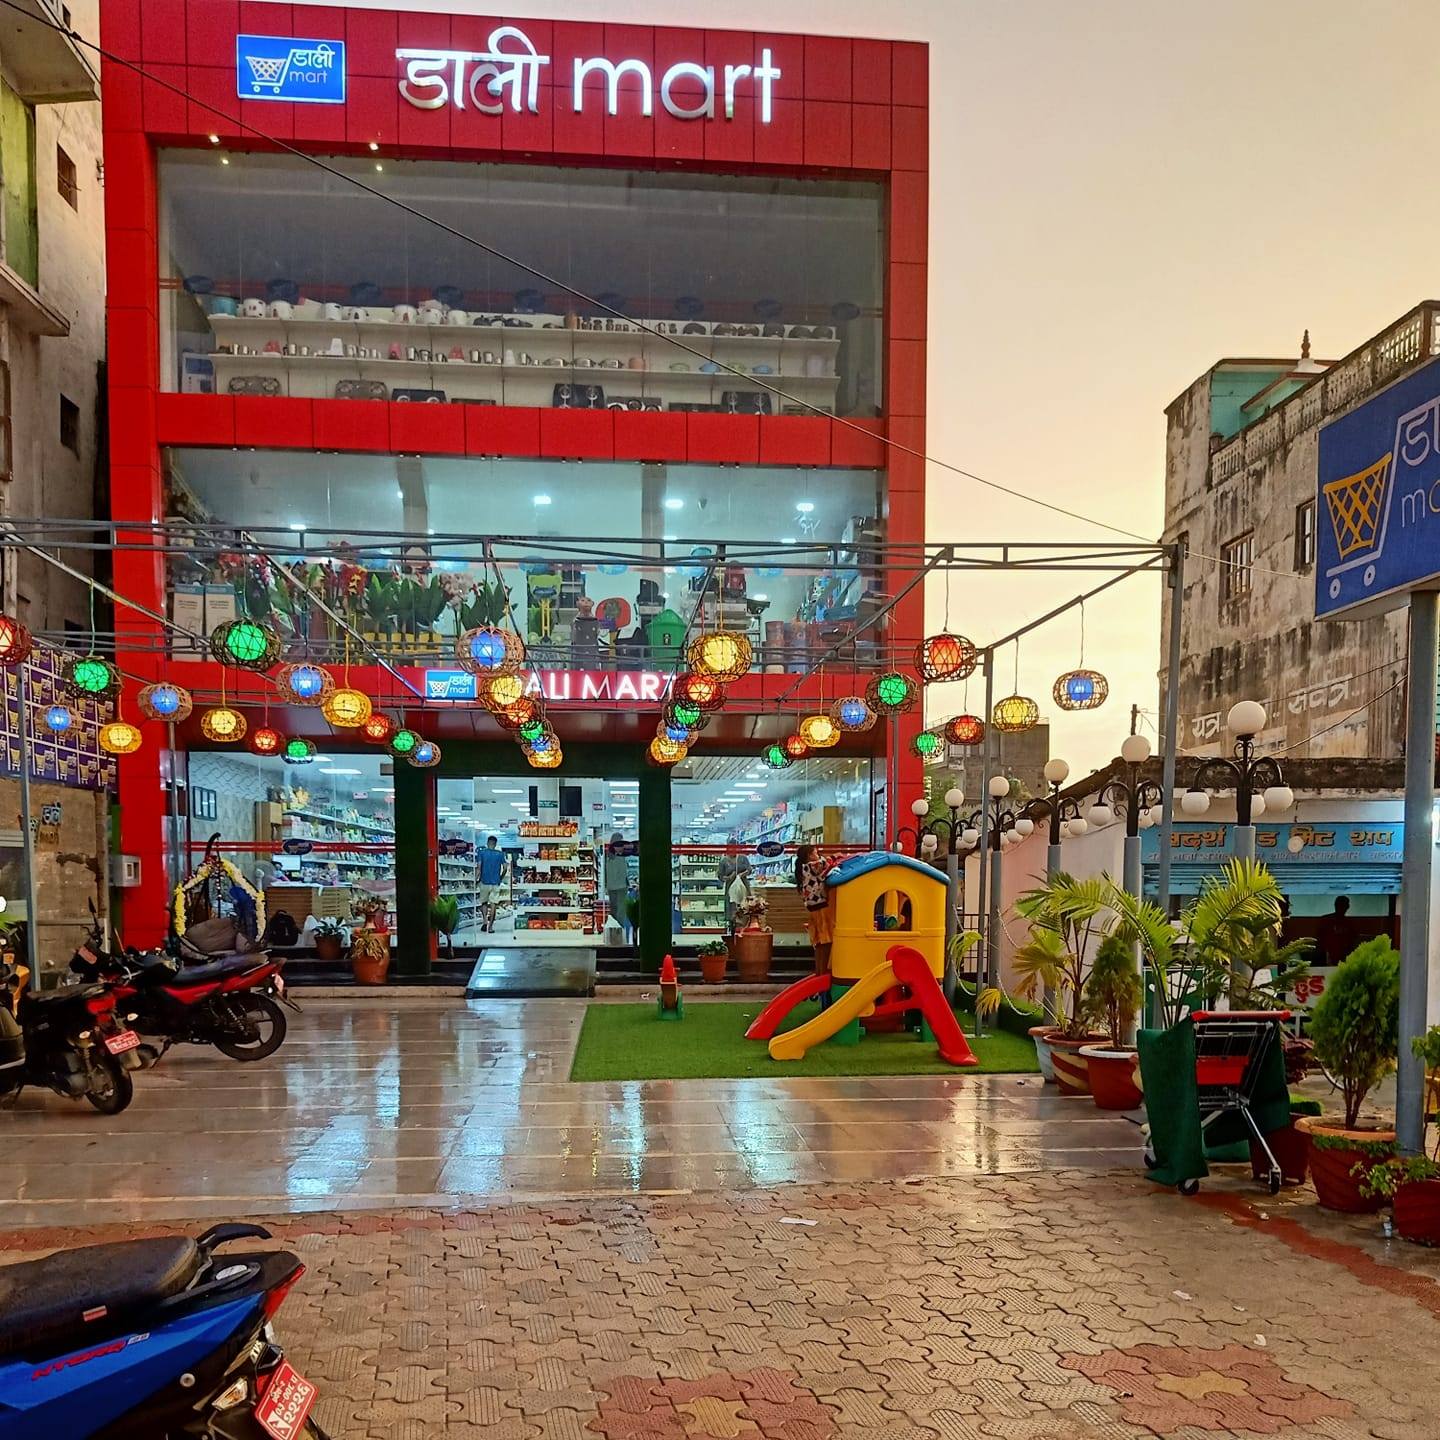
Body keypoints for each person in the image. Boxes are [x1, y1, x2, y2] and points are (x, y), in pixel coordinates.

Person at [795, 843, 832, 976]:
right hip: (819, 905)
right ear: (809, 856)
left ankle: (819, 971)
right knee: (825, 940)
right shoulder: (812, 866)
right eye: (816, 853)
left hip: (813, 906)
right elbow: (825, 864)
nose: (818, 855)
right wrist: (833, 857)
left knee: (819, 941)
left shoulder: (803, 868)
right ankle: (823, 971)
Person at [476, 836, 507, 934]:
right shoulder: (500, 854)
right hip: (495, 883)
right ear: (495, 844)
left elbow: (479, 868)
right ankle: (491, 927)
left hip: (484, 882)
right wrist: (500, 878)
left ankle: (485, 921)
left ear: (487, 842)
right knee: (493, 904)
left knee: (484, 903)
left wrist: (476, 879)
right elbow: (505, 868)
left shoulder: (481, 853)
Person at [604, 832, 632, 943]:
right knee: (621, 910)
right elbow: (623, 872)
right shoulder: (620, 854)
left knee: (614, 910)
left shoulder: (608, 855)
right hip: (621, 886)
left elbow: (606, 873)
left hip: (611, 886)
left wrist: (606, 885)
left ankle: (613, 933)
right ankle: (619, 932)